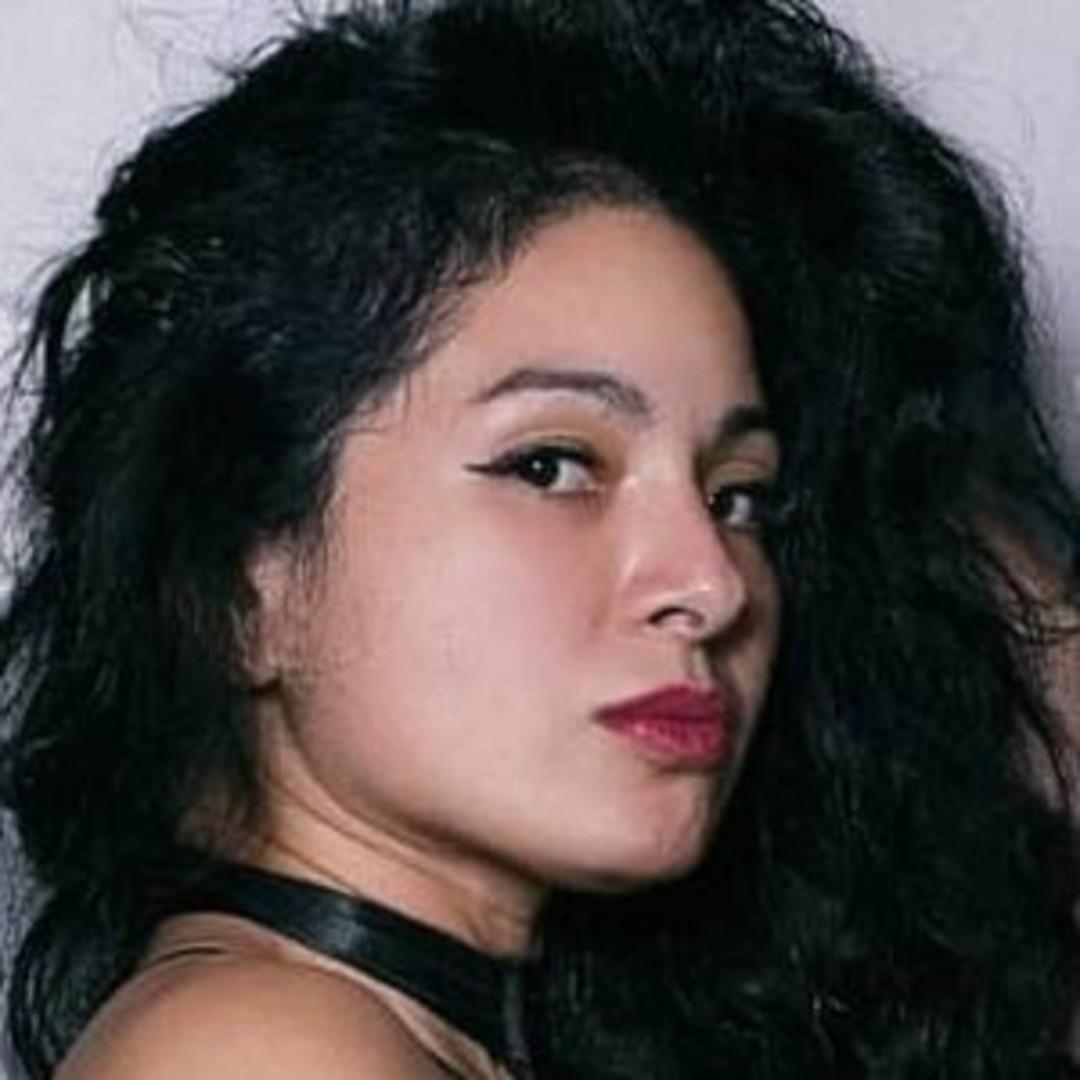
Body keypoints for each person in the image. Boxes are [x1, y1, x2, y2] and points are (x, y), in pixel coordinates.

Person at [2, 0, 1078, 1076]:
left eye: (740, 496)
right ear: (239, 583)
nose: (713, 583)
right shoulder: (256, 1052)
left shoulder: (399, 1024)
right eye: (551, 466)